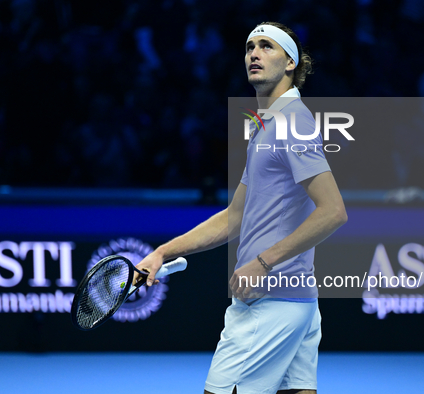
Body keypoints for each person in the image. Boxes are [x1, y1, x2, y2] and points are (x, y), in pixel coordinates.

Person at [134, 22, 347, 394]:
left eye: (266, 46)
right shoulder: (266, 125)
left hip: (269, 303)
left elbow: (332, 212)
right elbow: (234, 217)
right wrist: (162, 252)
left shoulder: (292, 123)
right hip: (295, 300)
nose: (254, 53)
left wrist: (262, 262)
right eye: (250, 47)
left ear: (290, 63)